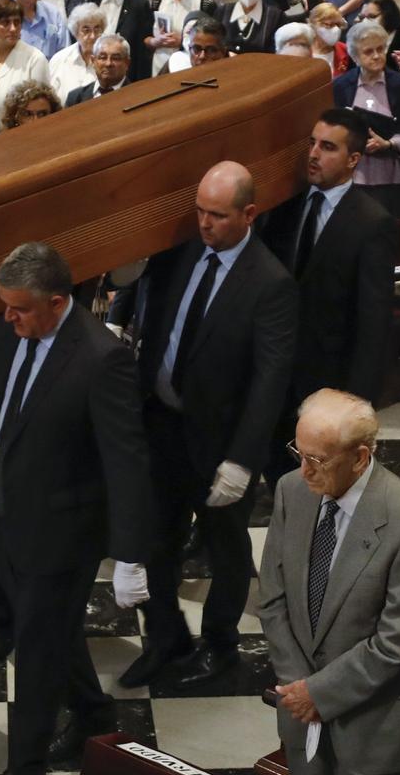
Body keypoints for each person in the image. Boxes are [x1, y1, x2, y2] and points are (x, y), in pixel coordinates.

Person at [0, 242, 152, 775]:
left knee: (34, 648)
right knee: (51, 630)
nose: (7, 318)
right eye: (4, 306)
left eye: (20, 309)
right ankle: (93, 715)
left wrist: (130, 553)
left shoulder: (101, 358)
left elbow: (125, 459)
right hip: (5, 517)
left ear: (57, 302)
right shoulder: (10, 333)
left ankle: (23, 771)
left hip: (62, 531)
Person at [121, 163, 297, 690]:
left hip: (220, 440)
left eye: (217, 216)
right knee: (157, 538)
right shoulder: (181, 251)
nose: (204, 224)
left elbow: (270, 381)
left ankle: (220, 646)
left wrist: (243, 460)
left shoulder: (270, 283)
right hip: (163, 423)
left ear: (248, 213)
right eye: (199, 211)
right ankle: (165, 637)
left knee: (226, 548)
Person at [260, 388, 400, 775]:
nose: (305, 470)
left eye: (318, 459)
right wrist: (300, 688)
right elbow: (273, 598)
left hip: (371, 728)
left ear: (360, 458)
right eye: (299, 453)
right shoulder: (290, 491)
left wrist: (320, 694)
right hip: (301, 716)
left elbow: (398, 641)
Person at [259, 110, 395, 445]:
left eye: (328, 147)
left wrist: (357, 401)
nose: (314, 154)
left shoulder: (371, 221)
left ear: (354, 159)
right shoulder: (285, 204)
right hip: (274, 362)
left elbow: (373, 320)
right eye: (312, 143)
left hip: (326, 370)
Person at [333, 19, 400, 220]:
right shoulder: (340, 86)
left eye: (380, 49)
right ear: (355, 56)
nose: (376, 56)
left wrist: (389, 144)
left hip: (393, 179)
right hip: (353, 178)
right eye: (368, 52)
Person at [91, 0, 153, 84]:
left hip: (125, 79)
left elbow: (142, 53)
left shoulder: (139, 6)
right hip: (93, 74)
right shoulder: (93, 0)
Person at [47, 2, 106, 95]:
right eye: (86, 30)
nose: (92, 36)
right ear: (76, 32)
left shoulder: (109, 62)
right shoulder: (59, 60)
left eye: (97, 29)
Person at [65, 35, 134, 107]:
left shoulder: (138, 96)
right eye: (103, 57)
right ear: (93, 61)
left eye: (115, 58)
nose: (108, 63)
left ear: (127, 63)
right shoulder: (75, 98)